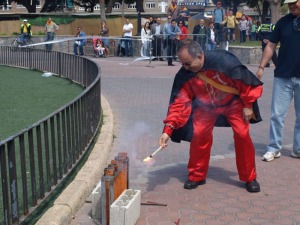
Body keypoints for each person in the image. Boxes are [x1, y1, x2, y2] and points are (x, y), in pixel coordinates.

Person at [159, 39, 263, 193]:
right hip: (205, 107)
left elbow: (245, 82)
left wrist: (248, 105)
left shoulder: (224, 60)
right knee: (199, 134)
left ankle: (250, 177)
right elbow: (179, 104)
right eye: (182, 64)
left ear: (200, 56)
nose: (185, 68)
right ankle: (196, 175)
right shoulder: (185, 74)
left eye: (188, 63)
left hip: (233, 104)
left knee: (242, 134)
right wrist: (167, 130)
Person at [256, 0, 300, 161]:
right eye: (289, 4)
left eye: (295, 3)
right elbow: (271, 45)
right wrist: (261, 66)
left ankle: (298, 149)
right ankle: (274, 147)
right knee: (277, 115)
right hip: (283, 76)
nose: (292, 7)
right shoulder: (283, 22)